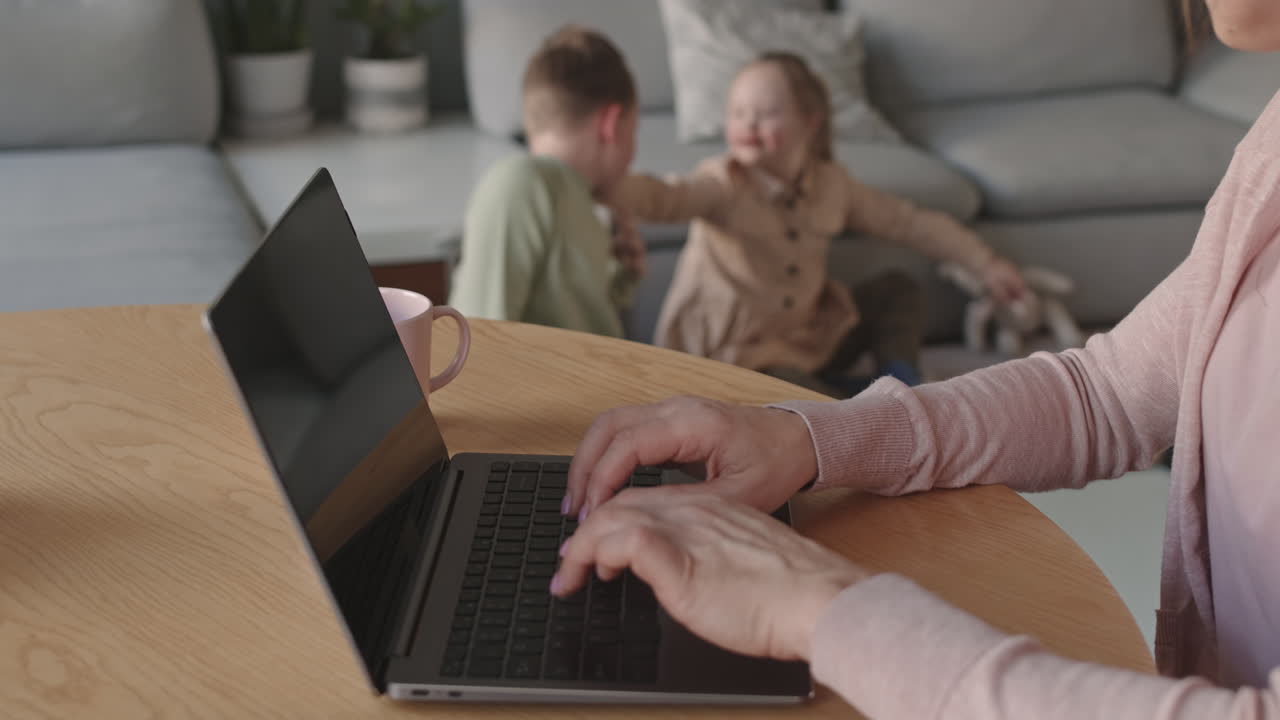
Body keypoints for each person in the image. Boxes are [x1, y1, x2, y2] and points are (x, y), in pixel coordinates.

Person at [551, 1, 1280, 716]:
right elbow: (1107, 393)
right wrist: (809, 437)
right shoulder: (1270, 147)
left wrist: (820, 608)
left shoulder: (834, 188)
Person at [613, 52, 1025, 396]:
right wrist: (603, 182)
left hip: (808, 339)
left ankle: (900, 382)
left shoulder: (832, 185)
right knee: (800, 403)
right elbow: (663, 197)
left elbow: (908, 222)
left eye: (767, 113)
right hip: (742, 358)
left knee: (898, 290)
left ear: (809, 122)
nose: (749, 124)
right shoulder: (723, 183)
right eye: (738, 113)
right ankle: (851, 401)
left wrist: (985, 264)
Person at [448, 26, 646, 338]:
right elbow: (474, 341)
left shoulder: (583, 203)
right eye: (634, 132)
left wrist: (622, 278)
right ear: (610, 125)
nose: (633, 153)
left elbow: (580, 324)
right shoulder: (520, 184)